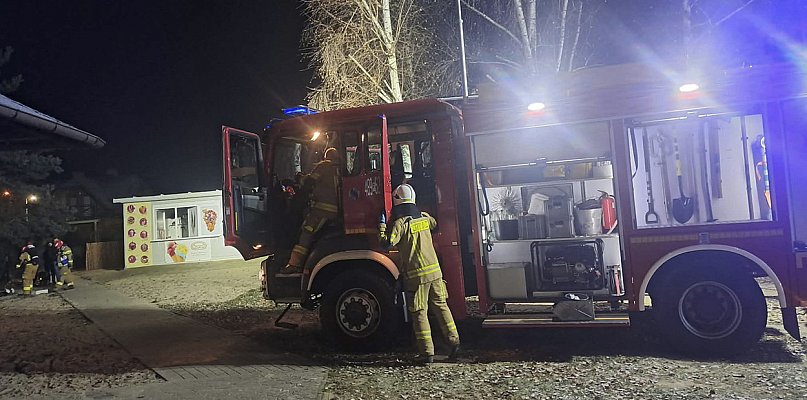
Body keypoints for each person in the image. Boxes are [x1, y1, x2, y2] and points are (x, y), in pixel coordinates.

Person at [378, 184, 460, 364]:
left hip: (417, 276)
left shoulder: (401, 224)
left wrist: (382, 225)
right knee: (441, 306)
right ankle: (454, 342)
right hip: (435, 273)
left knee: (419, 312)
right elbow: (435, 225)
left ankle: (427, 353)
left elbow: (386, 244)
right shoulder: (424, 217)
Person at [279, 147, 341, 275]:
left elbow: (310, 182)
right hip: (336, 210)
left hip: (323, 209)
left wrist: (300, 179)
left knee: (306, 232)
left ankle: (294, 264)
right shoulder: (340, 168)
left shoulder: (324, 165)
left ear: (326, 156)